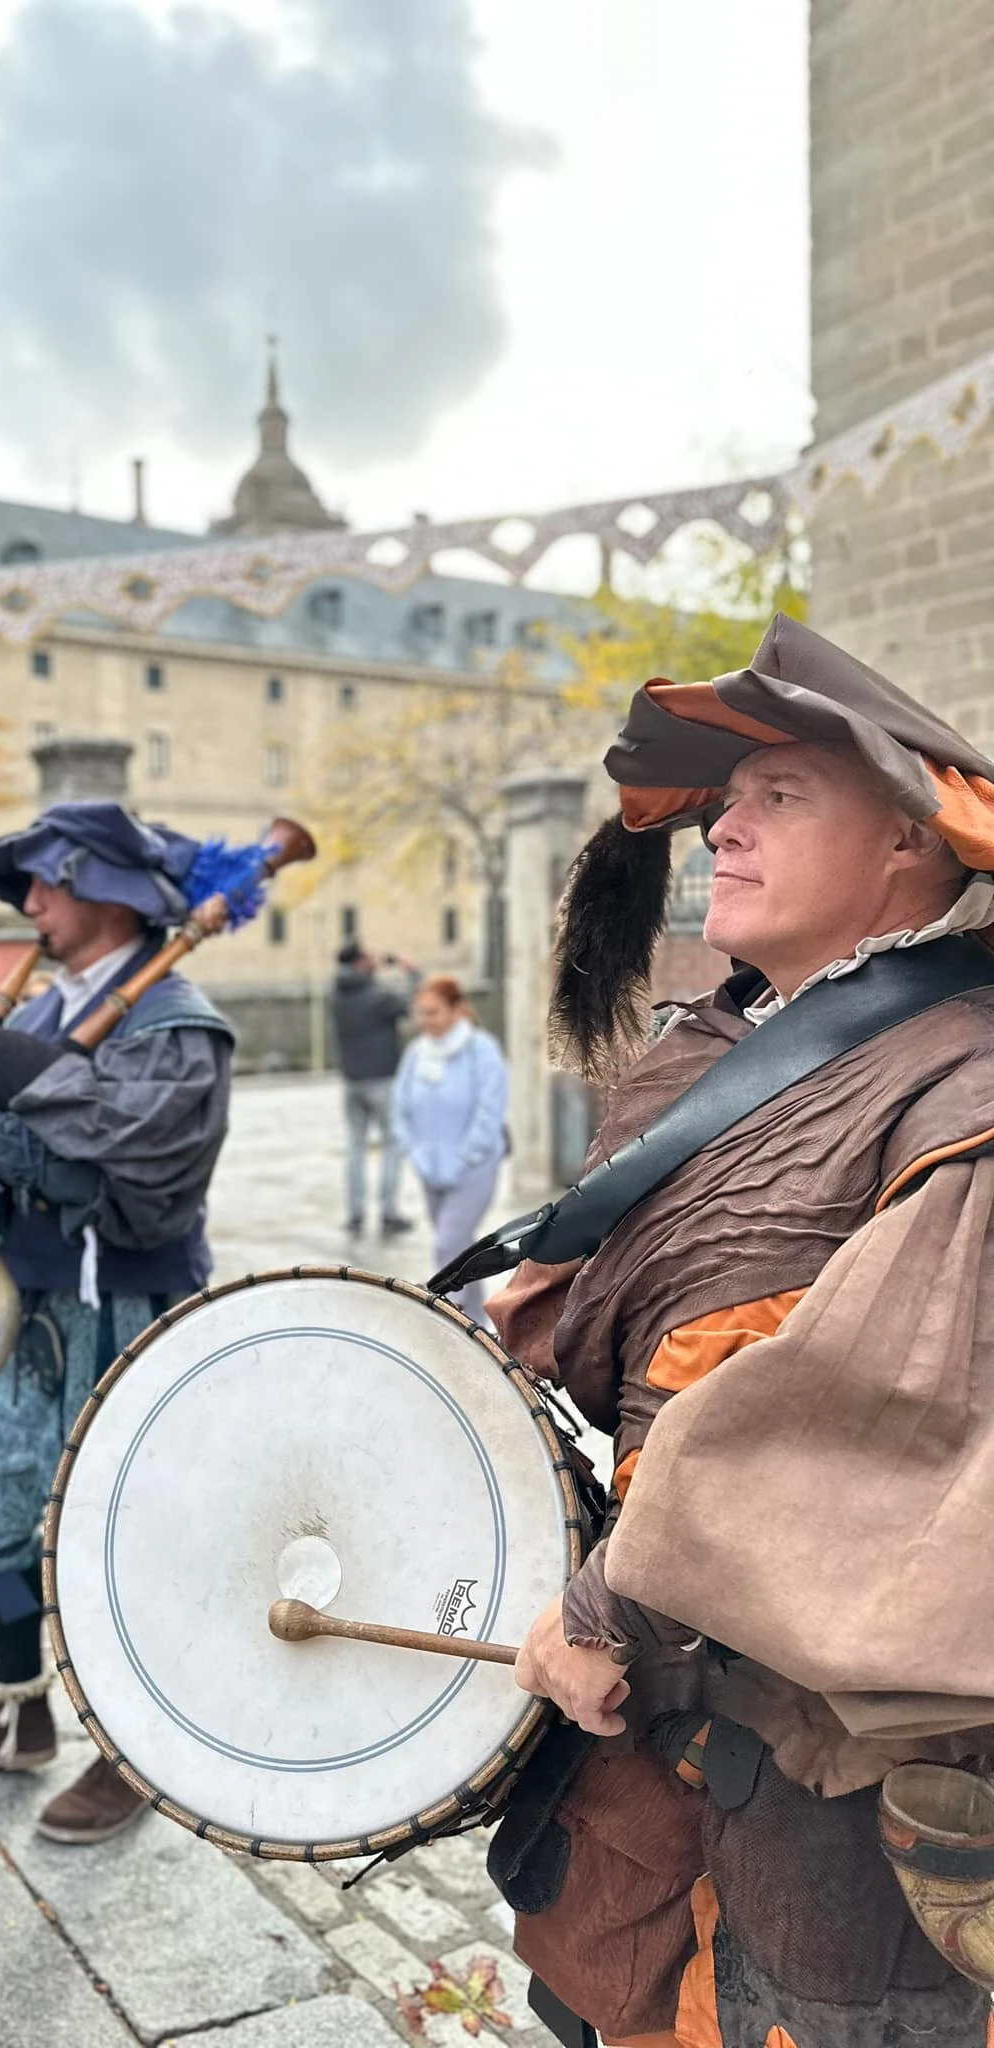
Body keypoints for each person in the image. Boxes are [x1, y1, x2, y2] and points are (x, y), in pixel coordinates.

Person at [463, 616, 994, 2046]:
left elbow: (868, 1418)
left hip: (842, 1760)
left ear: (910, 839)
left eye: (780, 798)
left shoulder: (969, 1085)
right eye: (724, 803)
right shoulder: (721, 1041)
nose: (725, 832)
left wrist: (609, 1604)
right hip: (671, 1716)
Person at [0, 801, 235, 1846]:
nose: (28, 900)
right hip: (34, 1312)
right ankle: (14, 1708)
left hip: (131, 1312)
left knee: (128, 1537)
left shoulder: (176, 1022)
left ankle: (130, 1749)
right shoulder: (38, 1020)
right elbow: (22, 1172)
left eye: (48, 877)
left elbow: (131, 1177)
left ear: (109, 888)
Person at [392, 976, 507, 1323]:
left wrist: (465, 1157)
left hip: (473, 1169)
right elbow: (400, 1104)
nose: (425, 1021)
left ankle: (449, 1323)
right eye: (420, 1014)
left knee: (447, 1243)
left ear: (457, 1009)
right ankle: (476, 1323)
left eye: (433, 1013)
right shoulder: (417, 1052)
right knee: (461, 1250)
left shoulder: (482, 1050)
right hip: (429, 1169)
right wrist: (413, 1150)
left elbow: (490, 1111)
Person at [329, 941, 418, 1238]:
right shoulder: (377, 995)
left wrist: (373, 970)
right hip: (382, 1078)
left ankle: (355, 1214)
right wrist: (410, 970)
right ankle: (388, 1213)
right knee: (392, 1144)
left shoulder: (335, 995)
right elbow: (416, 1002)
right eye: (367, 957)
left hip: (351, 1080)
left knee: (356, 1147)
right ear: (358, 962)